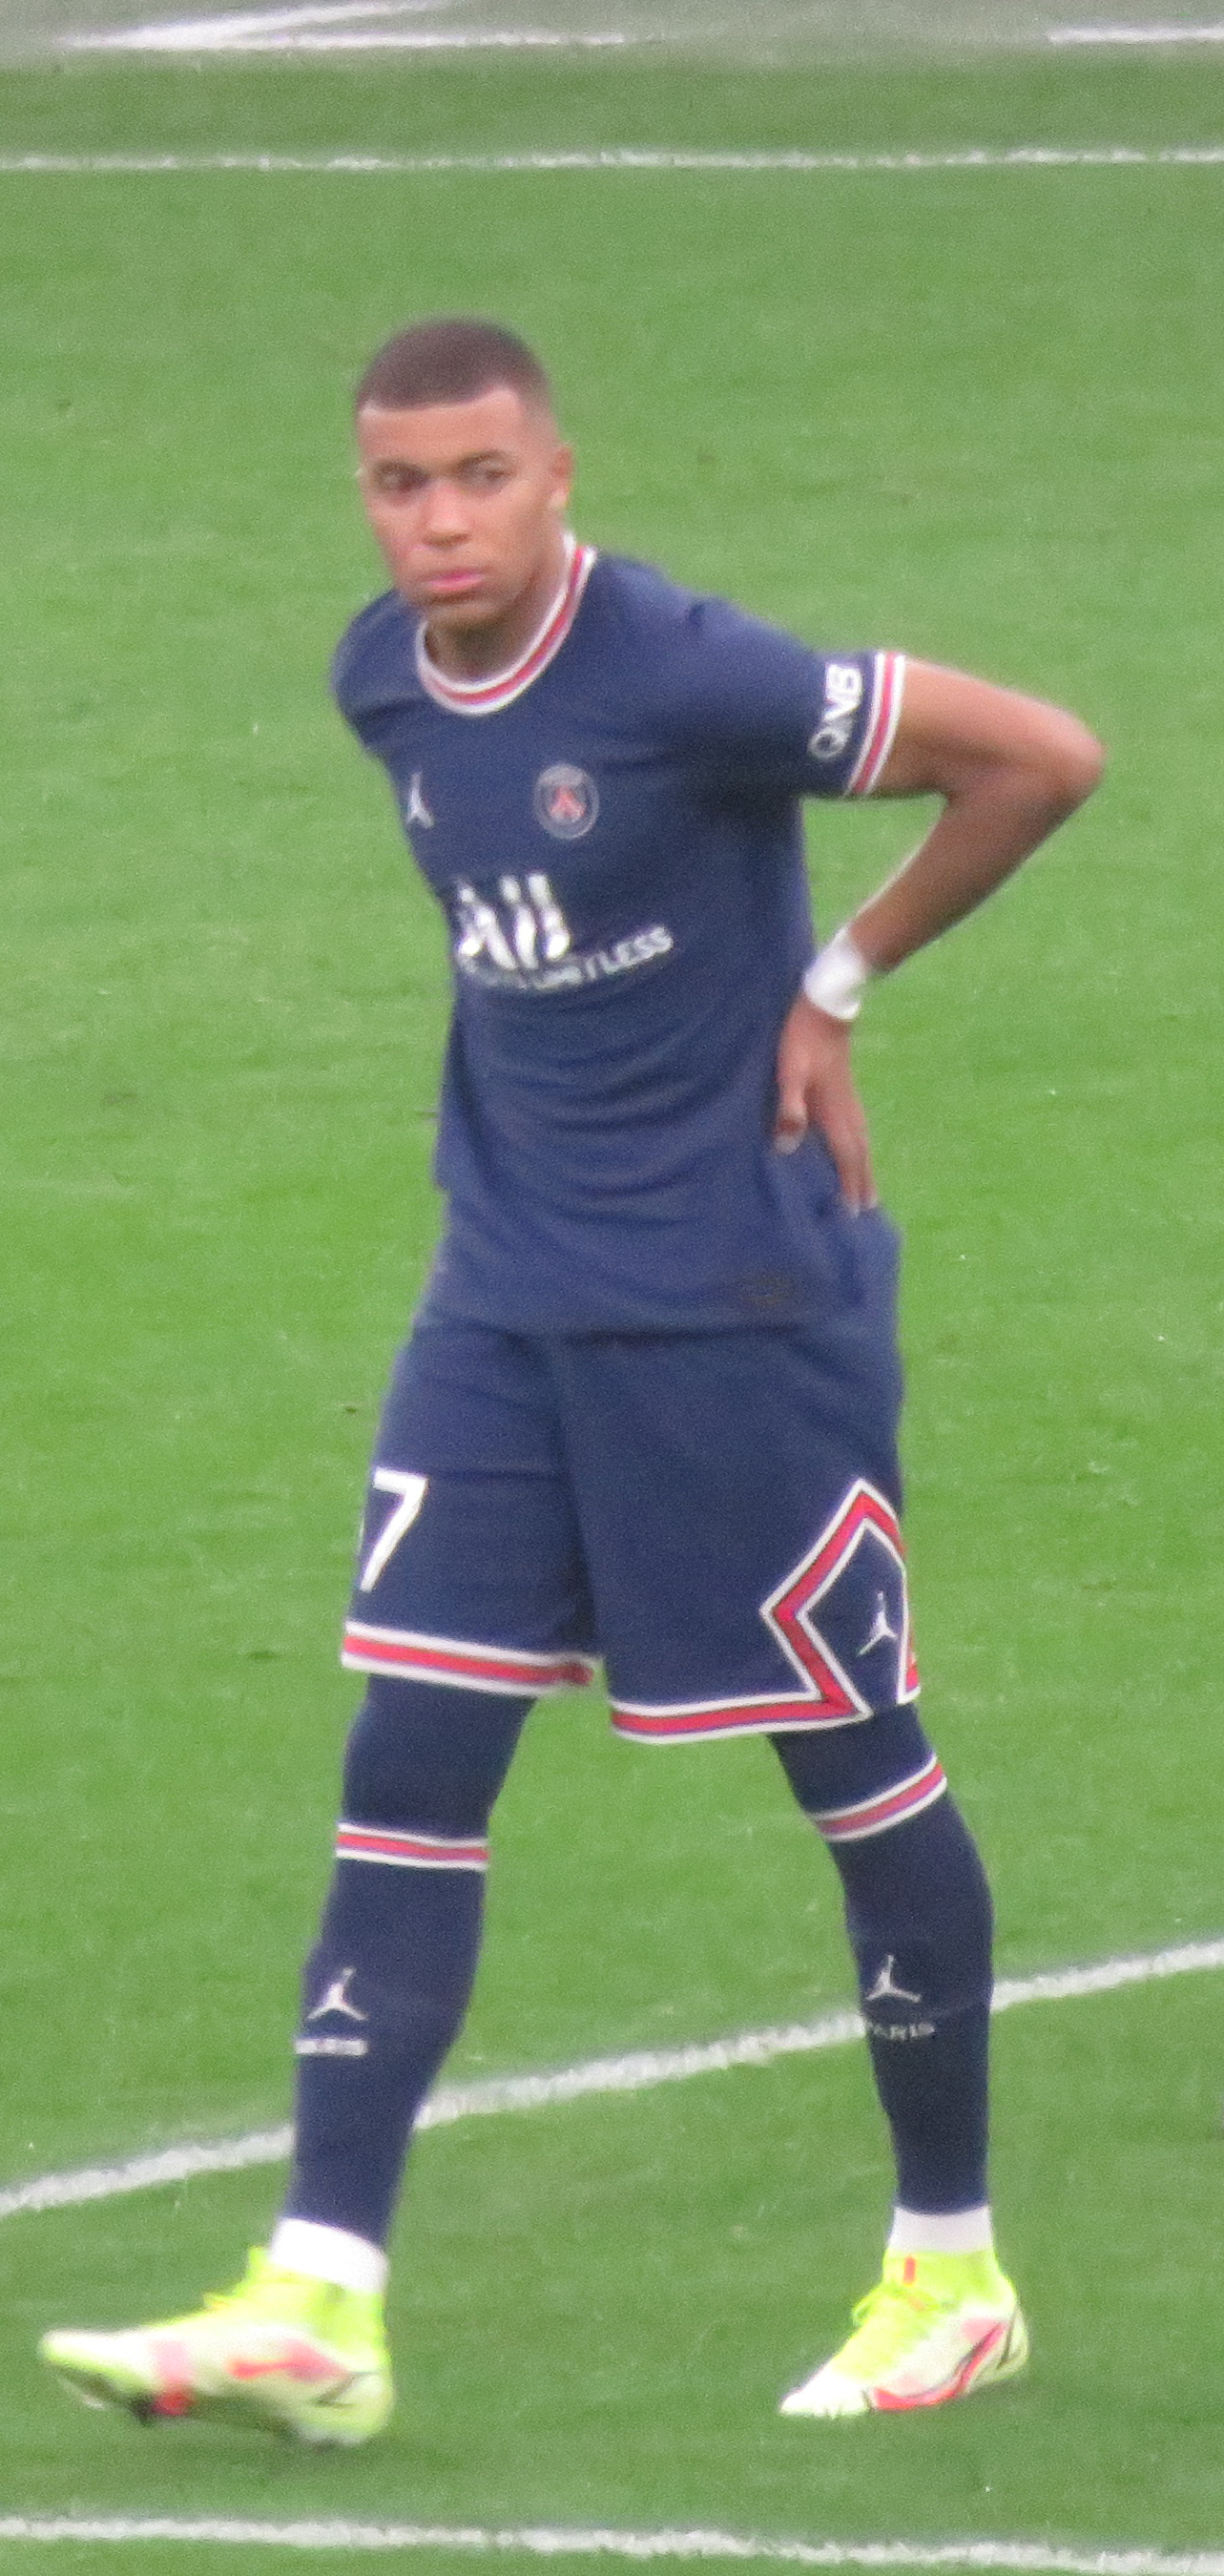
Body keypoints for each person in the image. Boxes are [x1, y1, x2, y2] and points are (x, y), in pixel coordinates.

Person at [39, 319, 1104, 2442]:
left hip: (736, 1317)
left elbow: (1041, 756)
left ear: (557, 474)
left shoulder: (690, 672)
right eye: (398, 484)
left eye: (479, 479)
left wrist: (834, 981)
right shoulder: (377, 683)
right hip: (504, 1310)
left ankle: (953, 2269)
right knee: (409, 1759)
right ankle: (321, 2299)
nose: (438, 522)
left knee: (856, 1766)